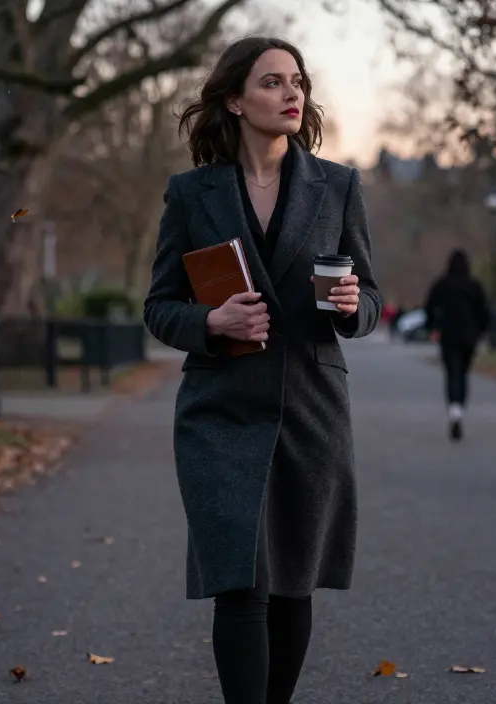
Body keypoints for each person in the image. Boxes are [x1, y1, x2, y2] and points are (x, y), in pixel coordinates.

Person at [142, 36, 382, 704]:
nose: (292, 93)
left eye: (297, 81)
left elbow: (371, 301)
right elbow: (159, 307)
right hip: (221, 411)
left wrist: (348, 304)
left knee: (290, 583)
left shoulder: (338, 187)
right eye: (273, 82)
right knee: (241, 582)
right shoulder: (192, 195)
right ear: (234, 100)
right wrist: (211, 323)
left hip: (310, 407)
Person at [423, 249, 490, 440]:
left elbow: (429, 307)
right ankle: (460, 406)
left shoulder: (442, 285)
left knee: (452, 373)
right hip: (469, 336)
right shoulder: (474, 285)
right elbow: (483, 311)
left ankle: (454, 410)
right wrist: (480, 331)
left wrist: (433, 327)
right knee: (463, 373)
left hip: (448, 335)